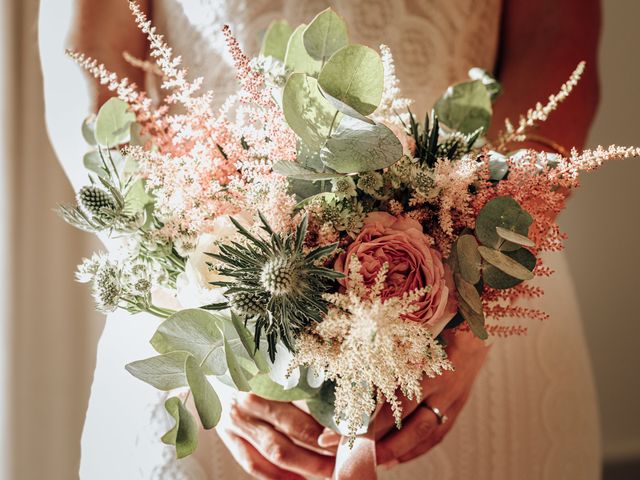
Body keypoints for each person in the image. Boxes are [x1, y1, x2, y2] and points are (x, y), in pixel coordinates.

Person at [39, 0, 602, 478]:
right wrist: (201, 314)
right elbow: (86, 65)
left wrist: (478, 290)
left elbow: (556, 41)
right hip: (198, 271)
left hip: (483, 294)